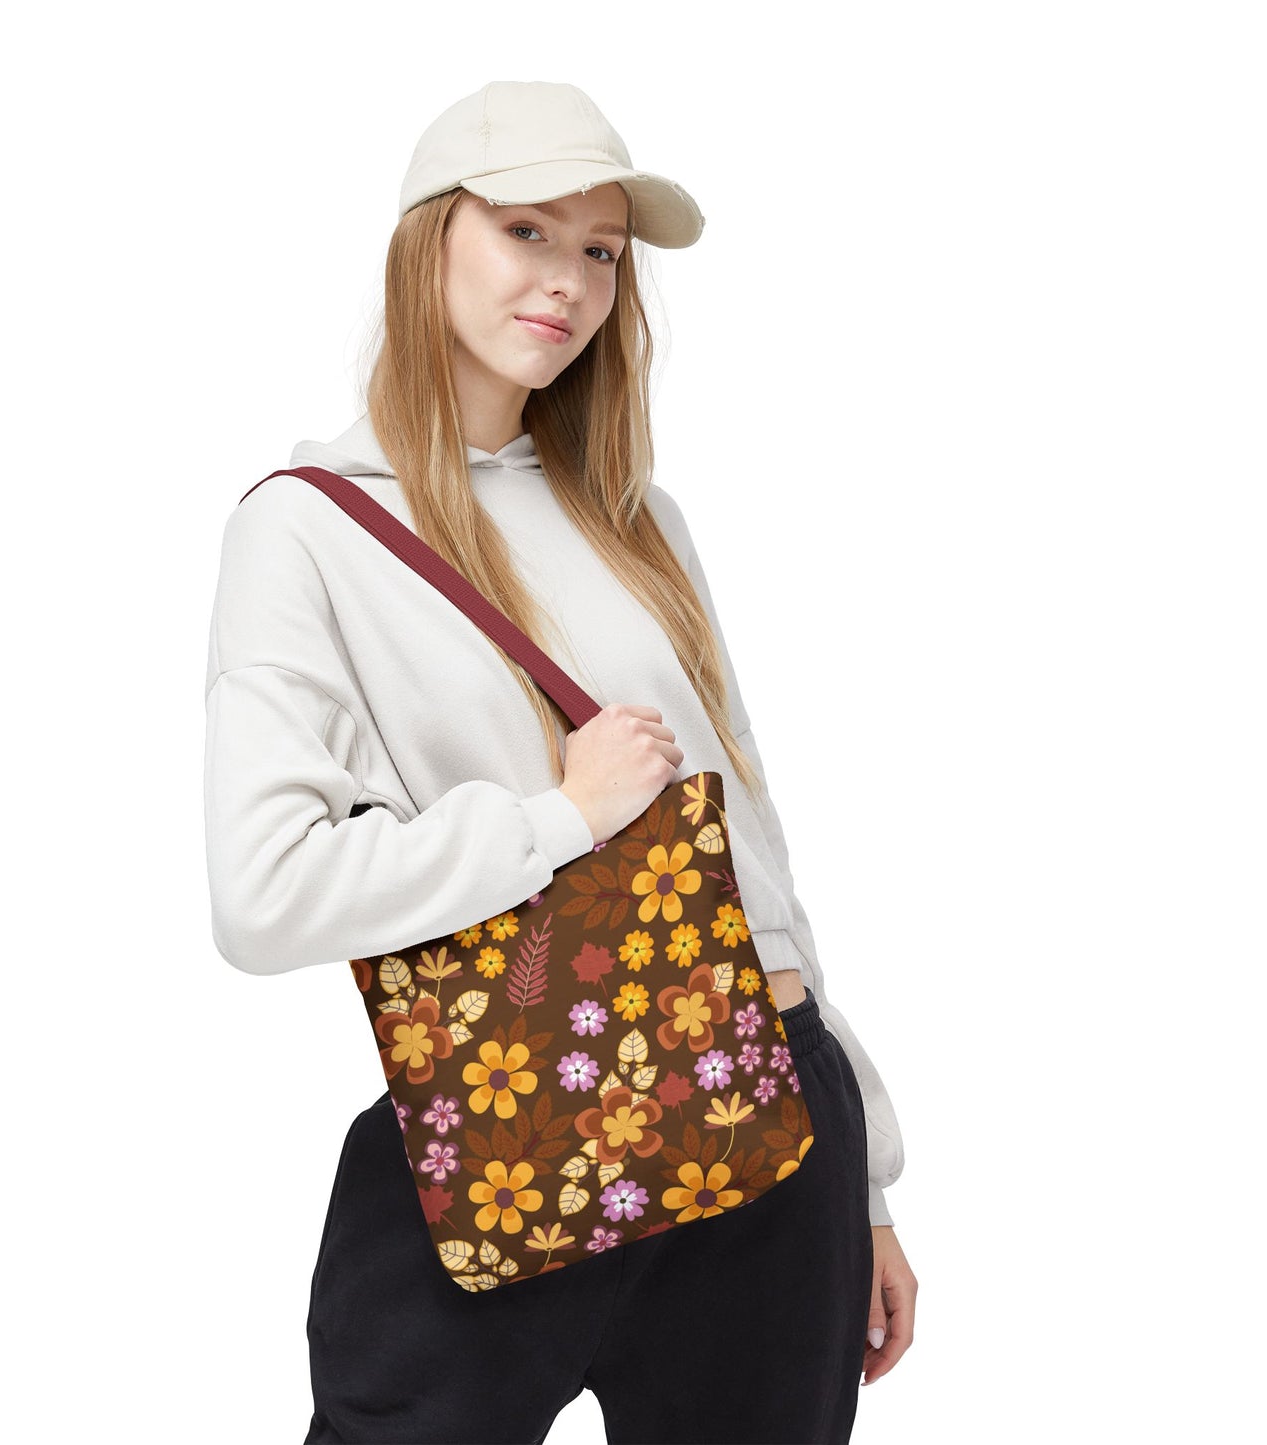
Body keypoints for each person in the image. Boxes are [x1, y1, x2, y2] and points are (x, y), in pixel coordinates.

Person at [204, 80, 917, 1445]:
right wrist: (559, 816)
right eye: (527, 229)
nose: (570, 282)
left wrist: (867, 1178)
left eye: (599, 251)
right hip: (510, 1126)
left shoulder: (636, 518)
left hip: (769, 1117)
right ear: (430, 241)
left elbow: (746, 854)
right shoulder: (310, 532)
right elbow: (262, 893)